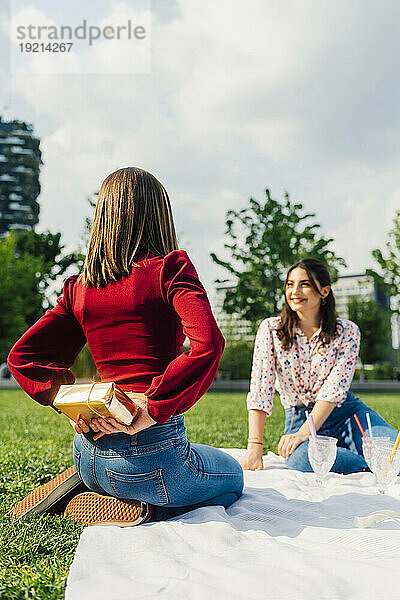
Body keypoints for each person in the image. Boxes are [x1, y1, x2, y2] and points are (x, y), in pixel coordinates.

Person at [8, 166, 243, 525]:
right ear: (159, 214)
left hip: (87, 454)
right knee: (232, 477)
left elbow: (23, 358)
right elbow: (208, 343)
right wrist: (152, 406)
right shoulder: (170, 269)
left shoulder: (79, 287)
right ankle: (149, 507)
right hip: (153, 462)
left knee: (120, 470)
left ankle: (92, 485)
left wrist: (75, 403)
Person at [240, 257, 399, 473]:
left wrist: (306, 433)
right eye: (290, 284)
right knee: (302, 460)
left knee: (393, 454)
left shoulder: (348, 332)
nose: (294, 291)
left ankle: (371, 460)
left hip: (345, 413)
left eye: (304, 284)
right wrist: (254, 447)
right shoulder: (270, 330)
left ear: (324, 291)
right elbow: (261, 389)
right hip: (298, 416)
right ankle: (365, 465)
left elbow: (334, 390)